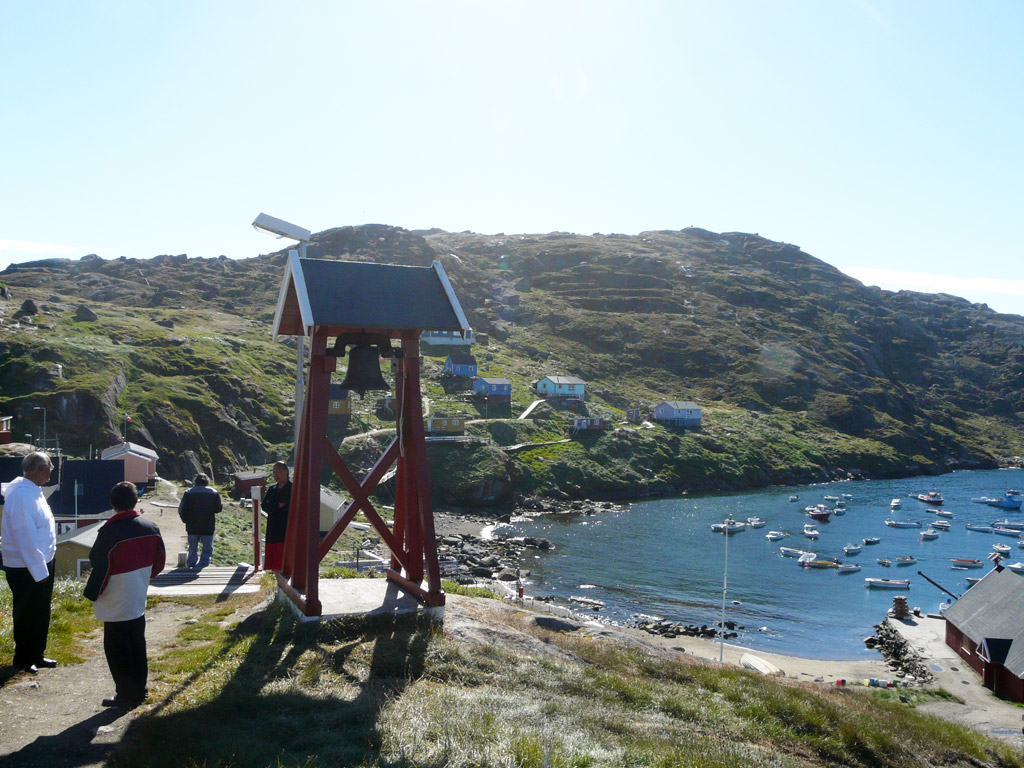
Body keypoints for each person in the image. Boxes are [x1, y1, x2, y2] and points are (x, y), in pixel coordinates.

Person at [84, 481, 165, 707]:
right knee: (137, 641)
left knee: (117, 647)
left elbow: (98, 563)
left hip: (114, 594)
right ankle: (140, 688)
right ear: (136, 500)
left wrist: (92, 593)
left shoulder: (109, 531)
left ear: (112, 503)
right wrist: (143, 577)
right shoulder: (150, 527)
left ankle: (126, 694)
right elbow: (159, 561)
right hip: (137, 592)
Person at [1, 451, 58, 674]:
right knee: (26, 612)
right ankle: (23, 658)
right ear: (40, 469)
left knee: (40, 610)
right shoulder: (21, 496)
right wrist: (39, 569)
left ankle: (37, 653)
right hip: (27, 566)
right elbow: (24, 536)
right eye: (49, 466)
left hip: (39, 562)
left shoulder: (32, 491)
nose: (51, 470)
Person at [177, 473, 222, 570]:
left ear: (195, 481)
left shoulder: (188, 492)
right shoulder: (214, 492)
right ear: (207, 481)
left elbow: (181, 509)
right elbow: (218, 509)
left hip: (192, 525)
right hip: (208, 524)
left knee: (192, 546)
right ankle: (203, 564)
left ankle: (191, 564)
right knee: (207, 546)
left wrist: (185, 520)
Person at [260, 461, 292, 571]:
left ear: (286, 471)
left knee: (282, 561)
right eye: (274, 473)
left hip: (285, 528)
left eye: (278, 472)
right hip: (272, 528)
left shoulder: (291, 488)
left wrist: (273, 506)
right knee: (273, 563)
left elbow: (283, 506)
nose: (276, 475)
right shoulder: (272, 489)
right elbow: (264, 506)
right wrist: (276, 506)